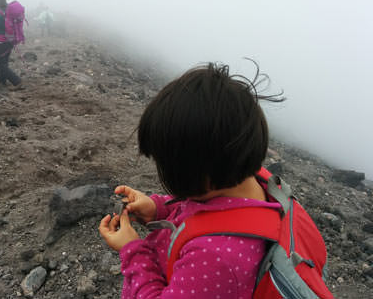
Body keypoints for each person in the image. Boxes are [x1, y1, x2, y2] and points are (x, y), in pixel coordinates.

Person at [99, 63, 287, 299]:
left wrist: (134, 251)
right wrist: (158, 208)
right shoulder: (247, 182)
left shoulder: (215, 258)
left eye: (165, 165)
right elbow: (208, 208)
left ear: (199, 172)